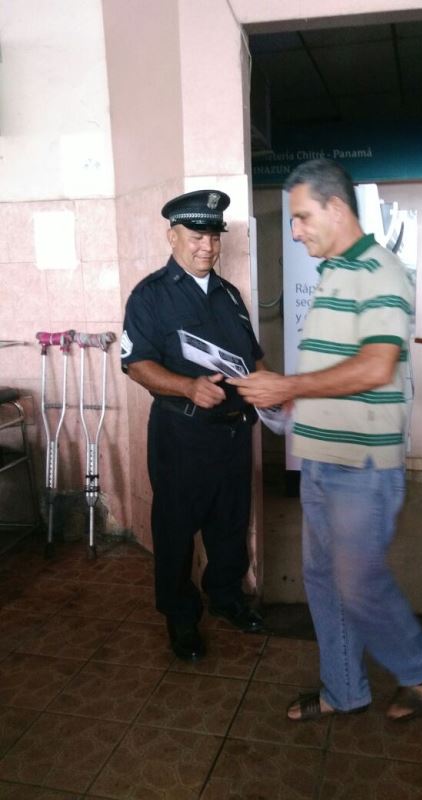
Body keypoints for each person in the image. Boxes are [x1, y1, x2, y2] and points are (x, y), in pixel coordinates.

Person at [229, 159, 422, 723]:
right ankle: (345, 690)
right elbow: (335, 367)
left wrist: (290, 385)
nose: (295, 231)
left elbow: (376, 365)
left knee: (357, 581)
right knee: (324, 581)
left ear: (337, 207)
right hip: (320, 459)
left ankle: (419, 665)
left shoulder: (381, 271)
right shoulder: (333, 274)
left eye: (301, 217)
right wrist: (288, 399)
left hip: (361, 466)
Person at [121, 189, 265, 661]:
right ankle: (181, 618)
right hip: (181, 435)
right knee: (176, 530)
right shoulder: (150, 296)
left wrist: (272, 393)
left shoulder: (231, 295)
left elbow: (253, 359)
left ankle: (225, 597)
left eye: (214, 237)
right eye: (196, 236)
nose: (207, 246)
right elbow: (136, 364)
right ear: (173, 237)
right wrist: (187, 387)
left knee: (230, 523)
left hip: (233, 432)